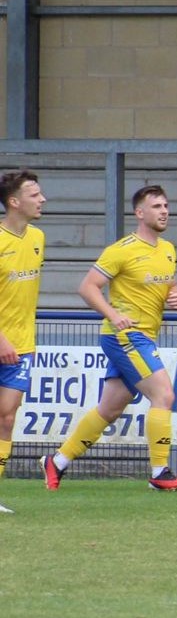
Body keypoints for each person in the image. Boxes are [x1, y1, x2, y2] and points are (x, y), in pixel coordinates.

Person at [44, 186, 177, 492]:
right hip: (125, 335)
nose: (164, 211)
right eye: (156, 206)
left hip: (145, 336)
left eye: (166, 205)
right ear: (140, 213)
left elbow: (168, 284)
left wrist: (174, 295)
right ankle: (160, 472)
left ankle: (57, 461)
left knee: (110, 408)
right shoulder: (122, 250)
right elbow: (87, 287)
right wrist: (112, 314)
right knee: (163, 395)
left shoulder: (168, 250)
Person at [0, 170, 47, 513]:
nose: (42, 199)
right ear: (14, 202)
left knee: (6, 417)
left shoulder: (38, 238)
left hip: (22, 345)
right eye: (34, 194)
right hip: (3, 341)